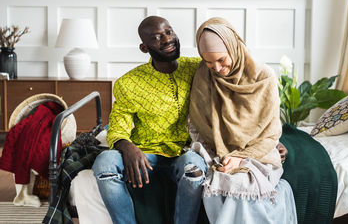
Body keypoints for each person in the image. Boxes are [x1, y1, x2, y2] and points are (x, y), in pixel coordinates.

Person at [91, 16, 207, 224]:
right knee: (104, 163)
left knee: (194, 168)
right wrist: (128, 147)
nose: (167, 39)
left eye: (169, 32)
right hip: (146, 154)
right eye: (157, 38)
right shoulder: (129, 83)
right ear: (144, 48)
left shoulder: (198, 68)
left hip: (185, 152)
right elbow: (118, 126)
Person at [188, 17, 297, 224]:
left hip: (259, 154)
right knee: (222, 183)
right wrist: (222, 158)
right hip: (218, 154)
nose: (217, 68)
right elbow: (199, 127)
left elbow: (271, 134)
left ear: (234, 48)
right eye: (209, 62)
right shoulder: (203, 76)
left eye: (221, 60)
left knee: (240, 189)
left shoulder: (263, 77)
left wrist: (240, 158)